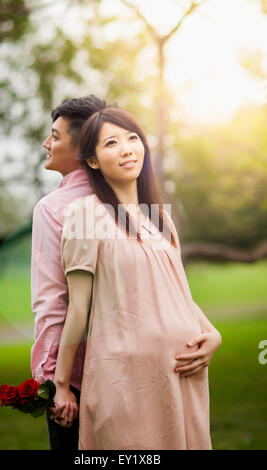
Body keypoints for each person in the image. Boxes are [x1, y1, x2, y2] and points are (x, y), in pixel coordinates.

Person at [54, 107, 222, 450]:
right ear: (93, 161)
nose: (128, 149)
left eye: (133, 138)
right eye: (112, 143)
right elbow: (78, 307)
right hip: (125, 380)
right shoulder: (85, 214)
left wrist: (212, 334)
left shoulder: (161, 219)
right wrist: (60, 384)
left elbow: (177, 294)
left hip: (182, 373)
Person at [30, 95, 107, 450]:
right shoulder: (123, 204)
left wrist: (50, 380)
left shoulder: (53, 209)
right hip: (125, 370)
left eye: (55, 136)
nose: (47, 144)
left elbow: (52, 301)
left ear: (80, 150)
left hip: (73, 378)